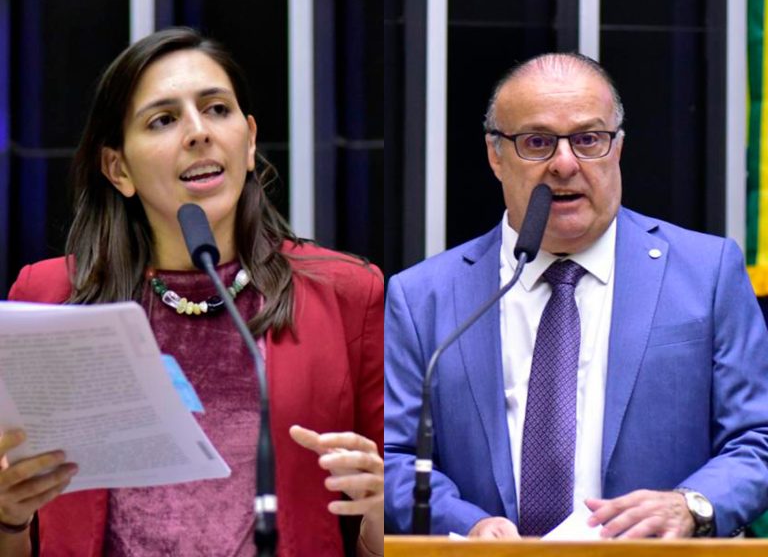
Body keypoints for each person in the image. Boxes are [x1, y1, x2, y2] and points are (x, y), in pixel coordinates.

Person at [0, 27, 383, 556]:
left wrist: (381, 515)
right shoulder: (46, 296)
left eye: (217, 109)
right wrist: (8, 520)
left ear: (249, 142)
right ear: (118, 168)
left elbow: (380, 531)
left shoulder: (347, 293)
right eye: (163, 119)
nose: (199, 132)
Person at [384, 52, 768, 539]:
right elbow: (392, 456)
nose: (564, 164)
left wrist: (692, 505)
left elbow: (759, 436)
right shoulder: (423, 298)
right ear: (495, 155)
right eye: (537, 142)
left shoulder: (707, 272)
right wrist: (469, 525)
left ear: (618, 149)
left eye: (589, 139)